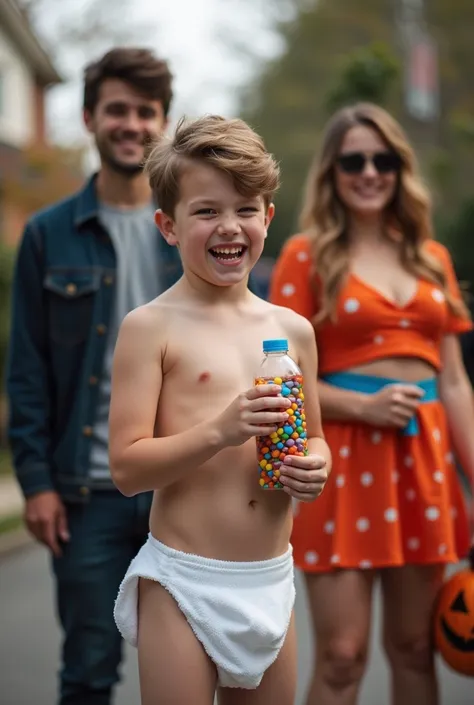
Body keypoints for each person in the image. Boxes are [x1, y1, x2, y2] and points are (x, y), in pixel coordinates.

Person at [109, 114, 332, 705]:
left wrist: (316, 463)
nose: (229, 227)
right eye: (206, 211)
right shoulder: (149, 328)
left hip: (268, 577)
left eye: (245, 209)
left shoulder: (293, 331)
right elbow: (128, 469)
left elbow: (316, 437)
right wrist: (219, 430)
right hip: (184, 581)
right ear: (168, 225)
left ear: (268, 218)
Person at [270, 103, 474, 705]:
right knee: (341, 656)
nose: (369, 172)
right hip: (341, 466)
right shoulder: (305, 256)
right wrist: (362, 407)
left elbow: (456, 383)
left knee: (415, 647)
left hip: (425, 465)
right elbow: (285, 376)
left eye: (382, 159)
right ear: (332, 171)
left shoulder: (430, 257)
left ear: (399, 169)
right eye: (353, 160)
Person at [6, 47, 180, 705]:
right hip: (86, 490)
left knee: (194, 666)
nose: (131, 124)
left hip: (181, 488)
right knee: (88, 670)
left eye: (145, 111)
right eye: (117, 109)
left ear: (163, 121)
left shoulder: (192, 231)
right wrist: (38, 483)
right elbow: (27, 370)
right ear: (88, 118)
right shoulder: (48, 235)